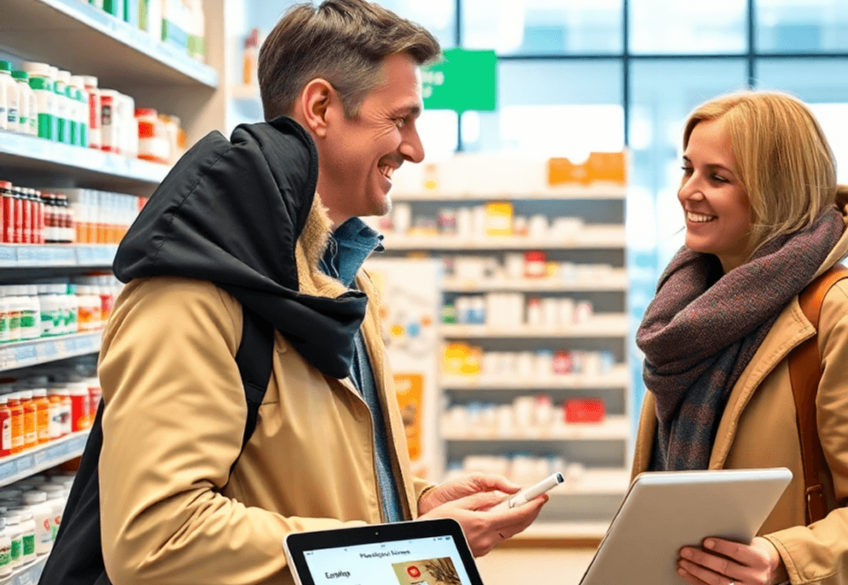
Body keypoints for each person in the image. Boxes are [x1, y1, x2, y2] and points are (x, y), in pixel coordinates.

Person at [53, 2, 545, 584]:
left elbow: (313, 480)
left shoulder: (342, 275)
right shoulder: (191, 293)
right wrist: (401, 548)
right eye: (401, 120)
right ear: (320, 108)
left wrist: (417, 506)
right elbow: (160, 540)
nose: (415, 149)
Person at [632, 91, 848, 585]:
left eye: (718, 177)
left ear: (777, 190)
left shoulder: (845, 314)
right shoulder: (684, 312)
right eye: (687, 169)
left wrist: (782, 559)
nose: (688, 191)